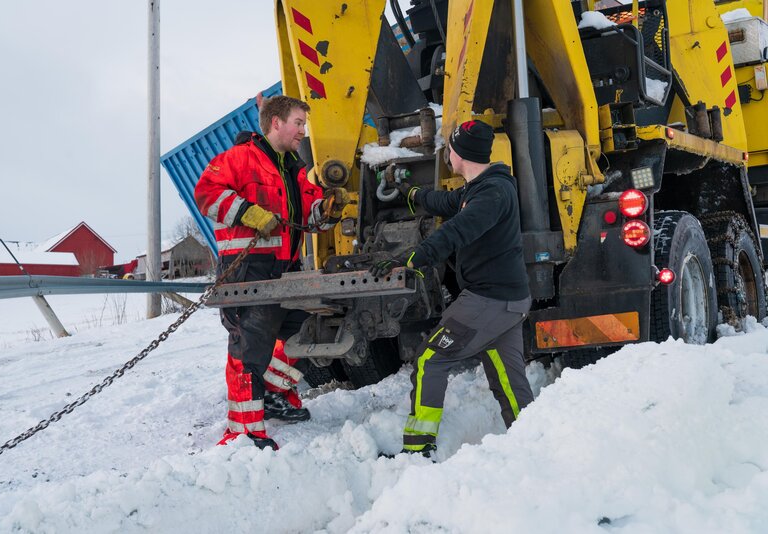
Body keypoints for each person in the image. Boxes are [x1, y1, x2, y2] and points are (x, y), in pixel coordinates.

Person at [371, 119, 534, 457]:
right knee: (508, 381)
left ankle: (418, 449)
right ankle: (533, 443)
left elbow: (456, 230)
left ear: (460, 154)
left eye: (450, 148)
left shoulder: (491, 194)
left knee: (430, 359)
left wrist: (412, 258)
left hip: (489, 300)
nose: (448, 154)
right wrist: (411, 192)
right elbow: (447, 203)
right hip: (508, 302)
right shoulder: (483, 187)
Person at [195, 95, 349, 450]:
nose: (303, 131)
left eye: (303, 124)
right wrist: (248, 213)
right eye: (298, 123)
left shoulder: (294, 168)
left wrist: (327, 210)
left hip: (285, 270)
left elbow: (309, 216)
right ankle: (244, 433)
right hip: (247, 270)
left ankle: (274, 394)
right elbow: (206, 193)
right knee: (249, 350)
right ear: (276, 123)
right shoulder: (240, 158)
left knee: (305, 330)